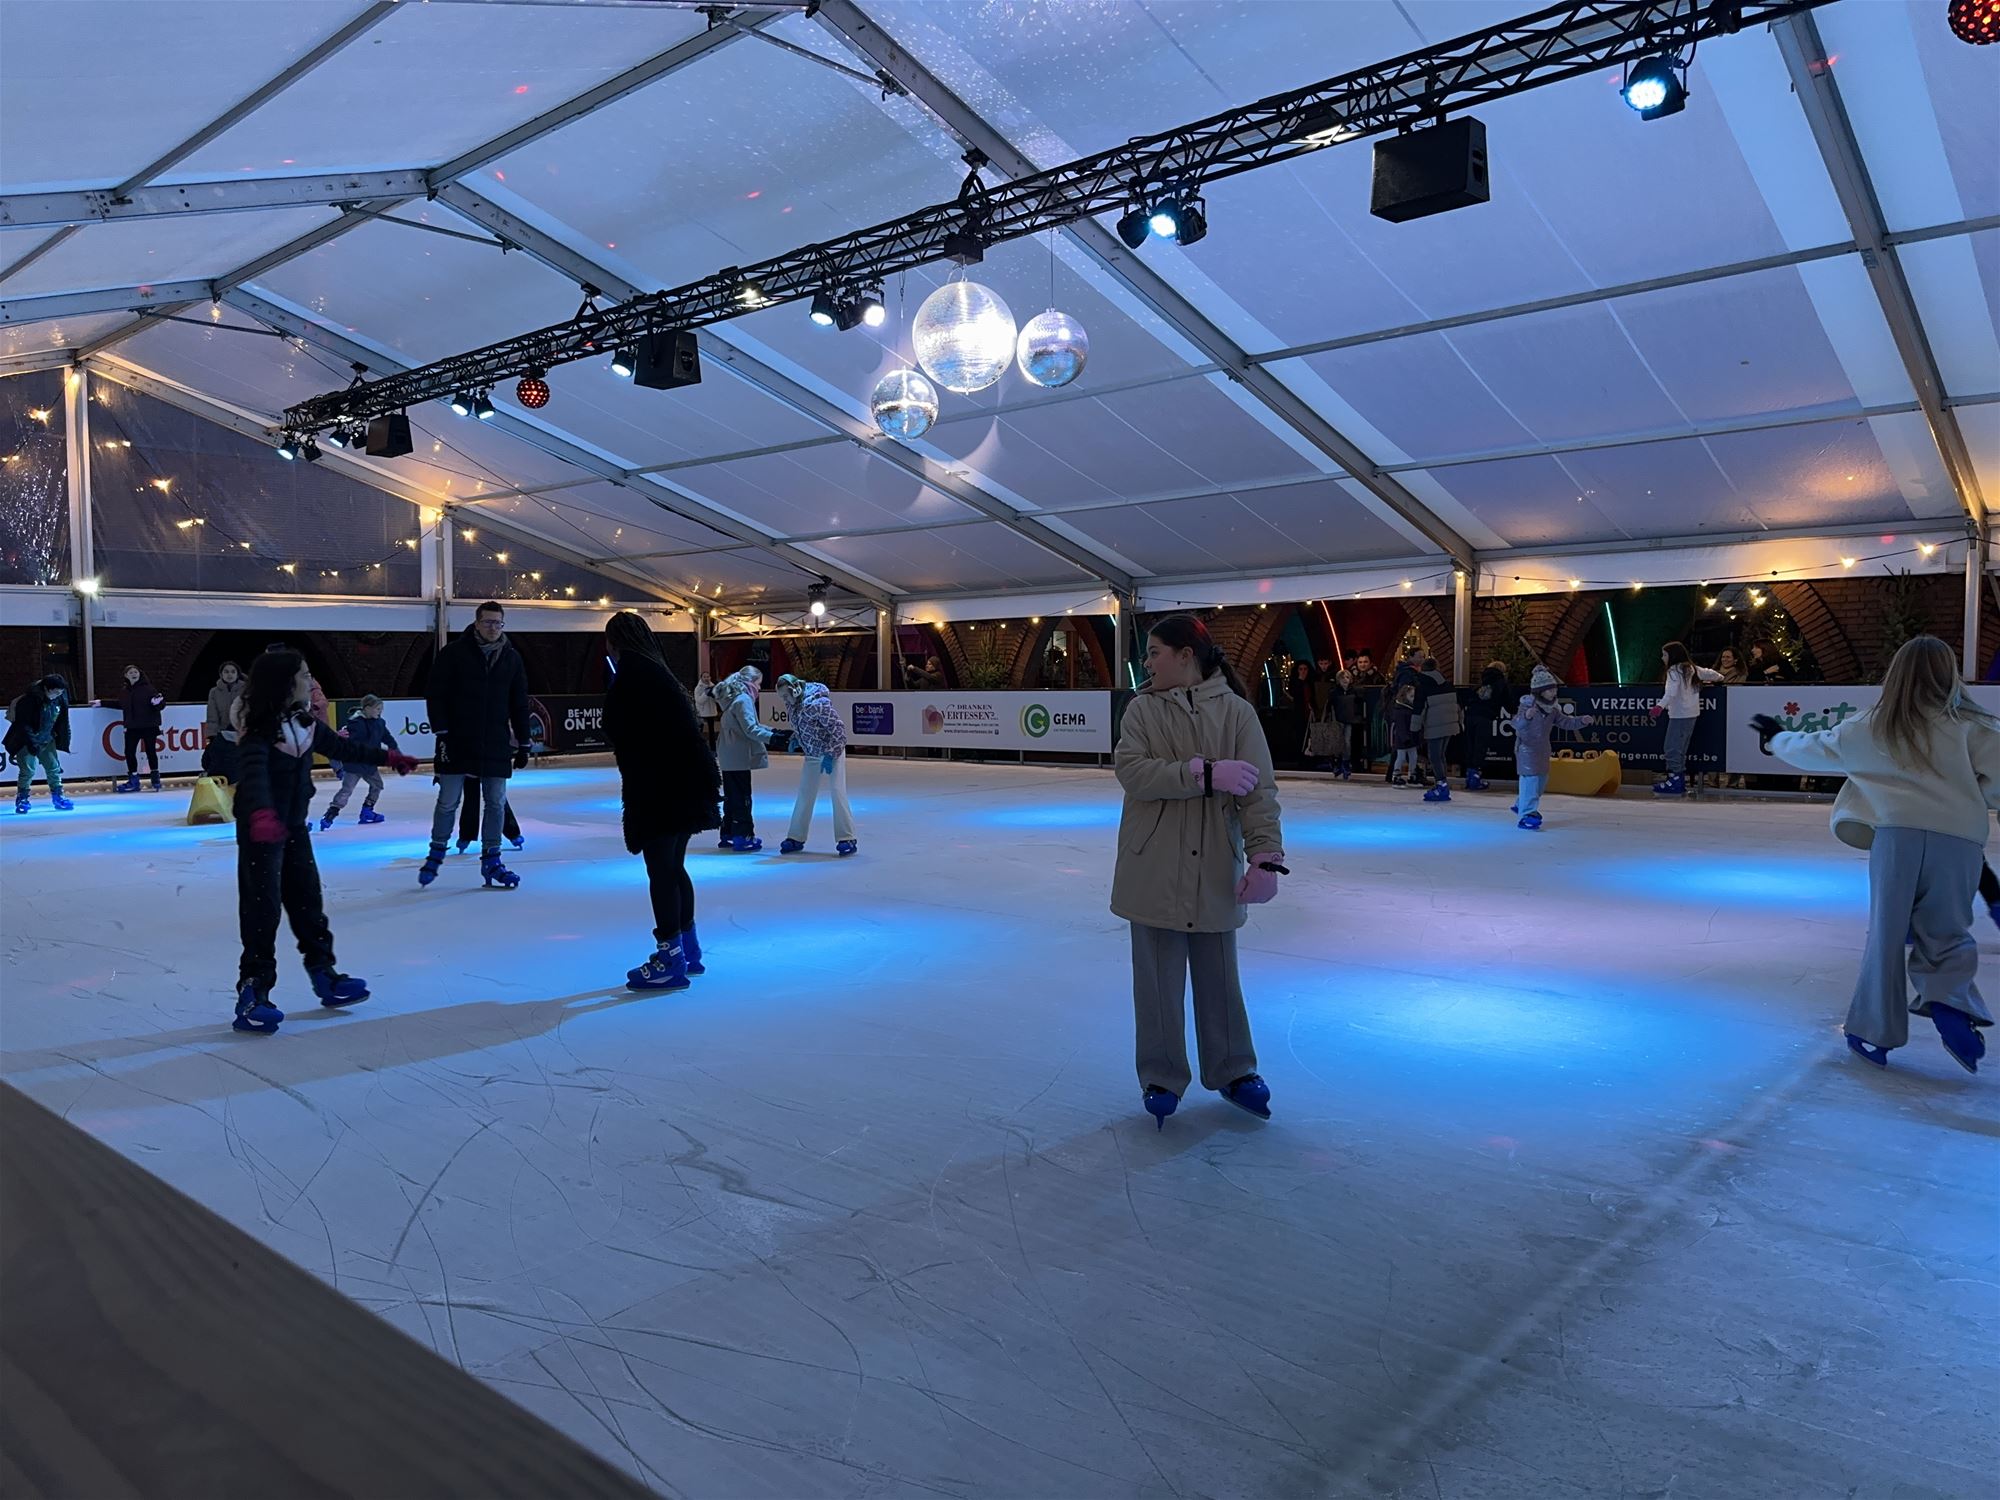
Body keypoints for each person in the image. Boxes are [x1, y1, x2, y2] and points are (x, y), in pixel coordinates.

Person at [1752, 636, 1999, 1073]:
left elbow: (1815, 749)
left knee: (1886, 935)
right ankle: (1950, 1006)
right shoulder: (1973, 725)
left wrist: (1776, 740)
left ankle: (1873, 1031)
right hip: (1959, 840)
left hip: (1896, 838)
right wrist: (1974, 795)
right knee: (1948, 932)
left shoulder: (1868, 725)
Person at [1114, 614, 1285, 1129]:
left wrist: (1265, 857)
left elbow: (1260, 793)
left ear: (1185, 655)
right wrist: (1202, 774)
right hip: (1152, 865)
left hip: (1213, 864)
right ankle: (1161, 1076)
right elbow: (1133, 772)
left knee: (1219, 977)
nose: (1147, 663)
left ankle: (1234, 1069)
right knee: (1156, 983)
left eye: (1155, 652)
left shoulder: (1236, 714)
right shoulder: (1141, 709)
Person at [229, 650, 417, 1035]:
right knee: (262, 910)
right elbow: (253, 773)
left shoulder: (305, 724)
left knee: (307, 902)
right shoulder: (260, 728)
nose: (311, 681)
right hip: (260, 831)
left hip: (293, 827)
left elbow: (345, 749)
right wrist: (262, 814)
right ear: (285, 683)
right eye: (304, 675)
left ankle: (324, 975)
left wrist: (389, 756)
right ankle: (253, 991)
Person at [601, 612, 721, 992]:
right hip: (685, 786)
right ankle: (689, 949)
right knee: (674, 867)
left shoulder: (632, 676)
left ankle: (670, 958)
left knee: (662, 873)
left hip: (659, 790)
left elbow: (614, 727)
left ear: (613, 642)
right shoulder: (660, 671)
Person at [419, 601, 530, 890]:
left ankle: (492, 860)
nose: (493, 628)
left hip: (495, 742)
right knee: (448, 800)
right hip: (456, 740)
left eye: (498, 623)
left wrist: (524, 742)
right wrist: (442, 730)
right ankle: (436, 851)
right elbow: (435, 693)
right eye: (488, 622)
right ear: (477, 623)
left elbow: (519, 702)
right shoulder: (454, 653)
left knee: (496, 802)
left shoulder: (511, 658)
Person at [776, 674, 857, 857]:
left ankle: (847, 837)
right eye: (782, 697)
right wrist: (796, 738)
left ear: (795, 690)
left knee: (837, 792)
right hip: (812, 753)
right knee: (805, 793)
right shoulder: (792, 705)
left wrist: (830, 754)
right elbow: (803, 727)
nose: (784, 700)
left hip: (832, 752)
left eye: (786, 696)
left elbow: (839, 731)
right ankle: (796, 836)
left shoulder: (818, 704)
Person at [1510, 665, 1595, 831]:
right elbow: (1516, 723)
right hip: (1527, 749)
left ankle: (1521, 804)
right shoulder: (1528, 705)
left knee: (1541, 782)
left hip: (1543, 750)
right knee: (1531, 781)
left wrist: (1581, 721)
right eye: (1549, 690)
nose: (1553, 692)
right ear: (1540, 691)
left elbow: (1566, 722)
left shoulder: (1552, 709)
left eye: (1554, 688)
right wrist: (1526, 717)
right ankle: (1526, 814)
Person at [1648, 641, 1723, 797]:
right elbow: (1709, 673)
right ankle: (1678, 780)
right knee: (1680, 748)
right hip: (1691, 714)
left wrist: (1659, 706)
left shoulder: (1674, 671)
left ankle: (1675, 780)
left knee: (1671, 748)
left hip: (1679, 715)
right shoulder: (1691, 668)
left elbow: (1671, 692)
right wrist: (1720, 678)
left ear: (1672, 656)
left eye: (1664, 655)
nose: (1662, 658)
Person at [713, 664, 773, 851]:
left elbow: (748, 726)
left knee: (732, 796)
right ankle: (743, 835)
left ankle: (728, 833)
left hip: (728, 754)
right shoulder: (743, 699)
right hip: (739, 755)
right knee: (742, 797)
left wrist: (773, 731)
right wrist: (773, 738)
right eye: (759, 684)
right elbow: (750, 729)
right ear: (751, 682)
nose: (759, 689)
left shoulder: (731, 699)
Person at [320, 694, 399, 830]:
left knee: (377, 785)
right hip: (354, 765)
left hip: (369, 765)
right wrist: (338, 767)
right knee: (347, 790)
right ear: (367, 708)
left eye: (381, 709)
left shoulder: (380, 723)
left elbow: (388, 738)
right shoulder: (355, 724)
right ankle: (330, 814)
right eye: (377, 709)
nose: (380, 712)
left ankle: (367, 811)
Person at [6, 673, 73, 814]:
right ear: (46, 688)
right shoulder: (29, 700)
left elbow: (62, 720)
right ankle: (22, 798)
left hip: (47, 738)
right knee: (27, 770)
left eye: (61, 692)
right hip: (25, 740)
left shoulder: (60, 698)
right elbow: (23, 725)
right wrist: (33, 743)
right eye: (56, 692)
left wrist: (64, 737)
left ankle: (58, 796)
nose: (58, 695)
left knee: (53, 767)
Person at [1413, 657, 1464, 802]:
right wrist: (1459, 722)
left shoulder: (1423, 685)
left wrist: (1414, 729)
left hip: (1434, 726)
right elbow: (1458, 706)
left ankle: (1441, 785)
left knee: (1434, 756)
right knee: (1441, 755)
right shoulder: (1447, 684)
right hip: (1450, 724)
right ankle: (1442, 784)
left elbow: (1419, 709)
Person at [108, 664, 165, 793]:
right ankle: (133, 778)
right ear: (126, 676)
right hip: (132, 727)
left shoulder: (148, 688)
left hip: (149, 726)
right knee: (129, 752)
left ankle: (155, 777)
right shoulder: (125, 691)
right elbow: (120, 704)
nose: (134, 674)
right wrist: (102, 703)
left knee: (151, 751)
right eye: (131, 673)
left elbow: (159, 704)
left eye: (135, 672)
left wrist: (157, 703)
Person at [1464, 660, 1511, 793]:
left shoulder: (1481, 682)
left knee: (1471, 746)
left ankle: (1469, 775)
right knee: (1481, 747)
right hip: (1485, 718)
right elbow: (1508, 702)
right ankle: (1475, 778)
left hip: (1471, 716)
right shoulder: (1501, 683)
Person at [1386, 648, 1424, 786]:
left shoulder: (1411, 673)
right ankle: (1396, 775)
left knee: (1410, 755)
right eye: (1419, 656)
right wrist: (1406, 738)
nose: (1422, 659)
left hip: (1409, 736)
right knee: (1400, 754)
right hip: (1404, 737)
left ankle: (1411, 774)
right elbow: (1401, 726)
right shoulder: (1407, 674)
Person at [203, 661, 245, 782]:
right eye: (226, 672)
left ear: (237, 674)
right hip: (222, 733)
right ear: (221, 674)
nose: (229, 674)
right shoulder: (214, 692)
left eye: (233, 672)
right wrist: (212, 735)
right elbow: (212, 714)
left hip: (240, 732)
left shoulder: (245, 690)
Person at [1330, 669, 1367, 781]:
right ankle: (1337, 761)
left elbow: (1359, 705)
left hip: (1349, 720)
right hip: (1338, 720)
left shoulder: (1355, 691)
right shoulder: (1334, 692)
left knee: (1347, 742)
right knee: (1337, 742)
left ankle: (1345, 762)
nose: (1345, 680)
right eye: (1342, 678)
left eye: (1347, 677)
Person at [694, 671, 721, 750]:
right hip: (702, 713)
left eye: (708, 677)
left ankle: (713, 747)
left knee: (711, 731)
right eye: (704, 677)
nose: (706, 678)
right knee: (700, 730)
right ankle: (699, 747)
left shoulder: (713, 686)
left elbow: (718, 700)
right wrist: (706, 694)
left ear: (710, 677)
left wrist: (715, 696)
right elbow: (699, 701)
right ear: (701, 678)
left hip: (711, 712)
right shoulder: (698, 688)